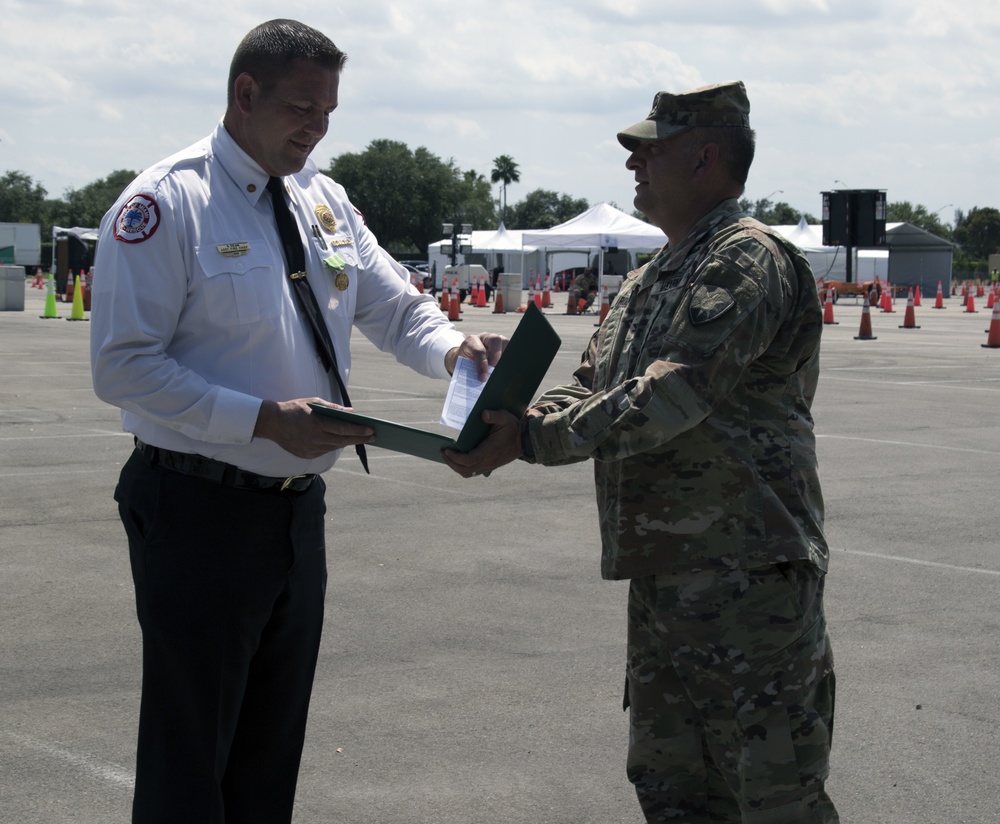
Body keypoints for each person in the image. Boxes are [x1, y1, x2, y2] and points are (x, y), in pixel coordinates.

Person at [90, 19, 503, 824]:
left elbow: (393, 307)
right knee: (189, 758)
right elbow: (124, 367)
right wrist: (259, 420)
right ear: (246, 95)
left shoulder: (325, 198)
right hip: (197, 505)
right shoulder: (166, 202)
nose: (315, 129)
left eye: (327, 114)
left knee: (268, 754)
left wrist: (455, 350)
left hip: (293, 512)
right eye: (301, 109)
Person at [444, 81, 838, 823]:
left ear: (707, 158)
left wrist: (527, 439)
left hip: (746, 581)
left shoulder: (744, 260)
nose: (634, 167)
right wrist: (509, 419)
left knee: (774, 794)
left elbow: (671, 398)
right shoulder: (649, 279)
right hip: (665, 581)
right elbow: (593, 385)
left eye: (651, 151)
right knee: (674, 790)